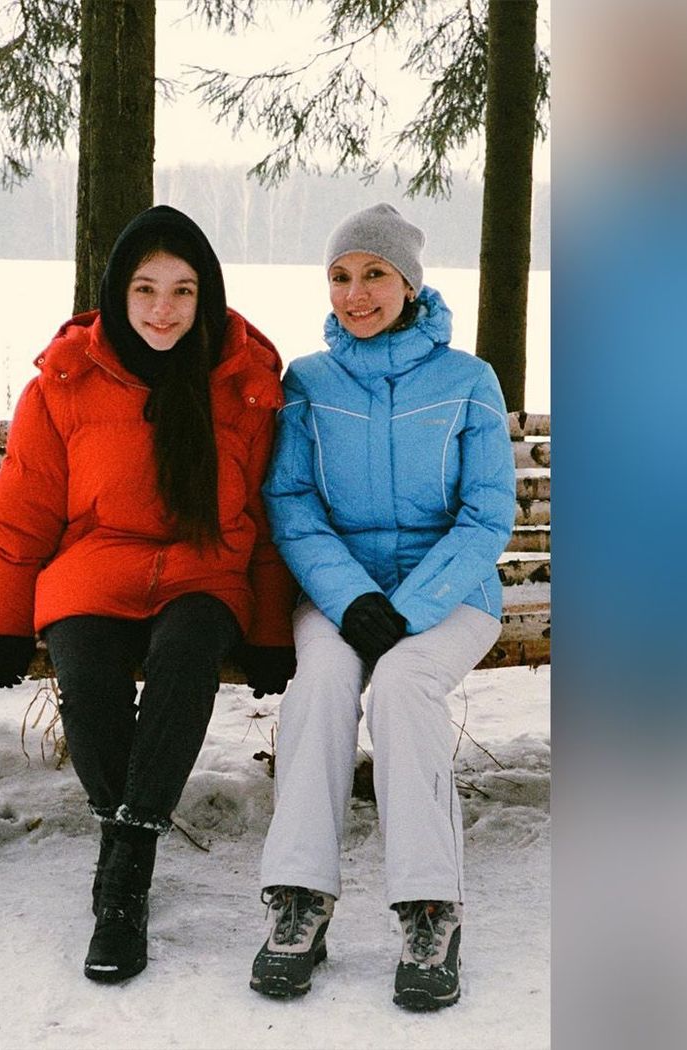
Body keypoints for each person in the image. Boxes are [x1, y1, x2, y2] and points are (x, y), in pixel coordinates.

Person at [0, 205, 298, 983]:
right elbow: (25, 505)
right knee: (86, 676)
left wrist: (270, 630)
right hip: (94, 567)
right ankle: (132, 849)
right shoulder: (65, 382)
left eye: (183, 291)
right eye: (146, 288)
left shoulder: (245, 386)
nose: (162, 309)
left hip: (203, 571)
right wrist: (5, 619)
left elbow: (266, 514)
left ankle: (122, 879)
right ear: (118, 292)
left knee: (186, 657)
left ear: (206, 297)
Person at [251, 203, 515, 1010]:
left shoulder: (468, 380)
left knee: (403, 683)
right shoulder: (308, 382)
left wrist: (411, 605)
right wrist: (351, 595)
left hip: (451, 596)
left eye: (374, 274)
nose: (355, 293)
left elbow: (487, 514)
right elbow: (292, 501)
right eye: (340, 276)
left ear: (410, 285)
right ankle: (298, 897)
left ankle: (431, 909)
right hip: (340, 594)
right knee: (323, 683)